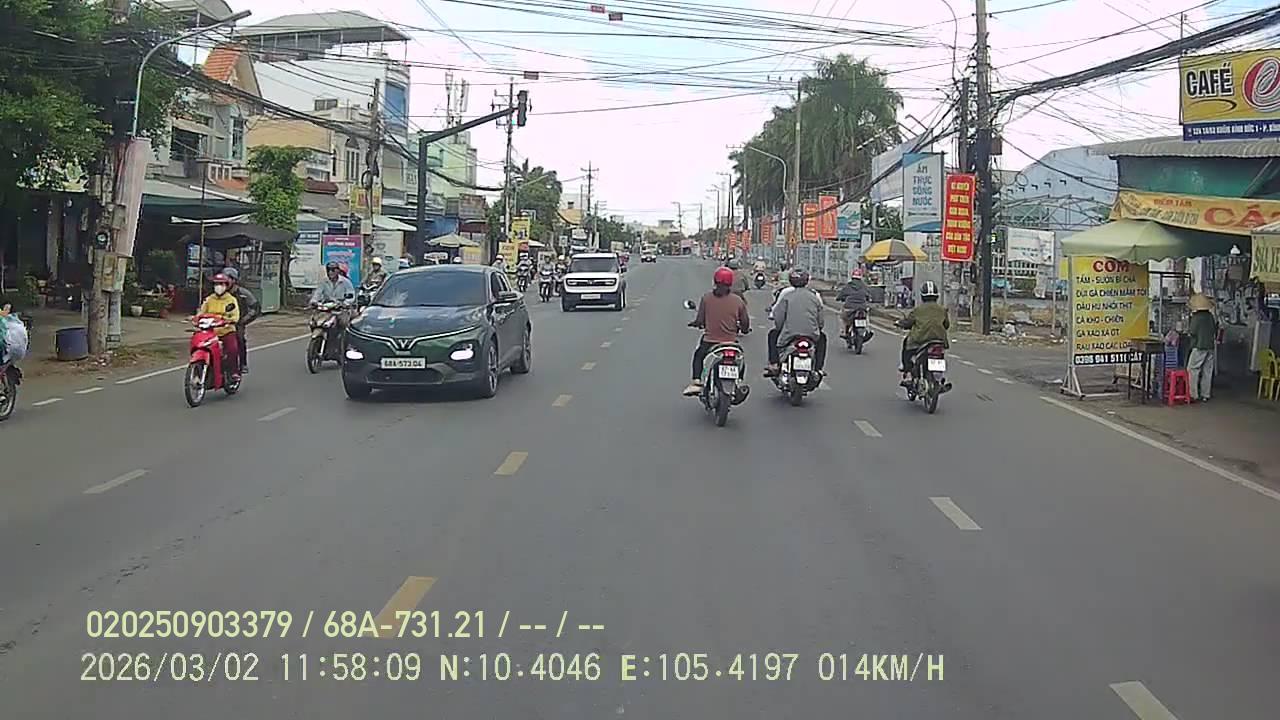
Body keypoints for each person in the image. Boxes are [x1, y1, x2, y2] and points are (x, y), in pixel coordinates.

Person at [683, 266, 751, 397]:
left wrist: (696, 323)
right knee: (740, 359)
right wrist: (744, 329)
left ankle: (697, 381)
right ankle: (739, 382)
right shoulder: (738, 301)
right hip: (731, 342)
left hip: (710, 342)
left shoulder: (706, 298)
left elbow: (700, 320)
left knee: (699, 356)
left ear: (715, 282)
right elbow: (745, 323)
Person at [765, 269, 826, 377]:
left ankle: (774, 364)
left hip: (789, 334)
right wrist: (817, 329)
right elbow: (820, 321)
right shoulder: (814, 296)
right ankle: (818, 368)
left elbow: (779, 319)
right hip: (812, 335)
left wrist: (781, 328)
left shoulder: (786, 295)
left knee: (773, 334)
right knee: (822, 338)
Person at [897, 280, 949, 386]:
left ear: (922, 296)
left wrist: (900, 323)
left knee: (907, 345)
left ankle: (907, 371)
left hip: (920, 340)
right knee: (940, 355)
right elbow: (946, 325)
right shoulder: (942, 310)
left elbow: (908, 322)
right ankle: (939, 378)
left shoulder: (917, 310)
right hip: (939, 340)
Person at [197, 273, 242, 376]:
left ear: (226, 286)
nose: (219, 287)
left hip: (226, 331)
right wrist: (196, 318)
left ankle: (233, 373)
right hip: (210, 332)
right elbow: (201, 312)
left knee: (232, 350)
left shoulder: (231, 300)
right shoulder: (209, 299)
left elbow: (235, 316)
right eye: (216, 284)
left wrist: (228, 320)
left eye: (221, 284)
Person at [220, 267, 259, 374]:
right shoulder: (218, 293)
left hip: (236, 323)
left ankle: (242, 363)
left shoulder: (243, 293)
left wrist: (243, 320)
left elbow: (255, 308)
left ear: (234, 280)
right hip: (218, 323)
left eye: (228, 279)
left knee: (239, 339)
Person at [1187, 293, 1218, 402]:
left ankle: (1193, 394)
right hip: (1210, 346)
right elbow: (1214, 329)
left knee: (1192, 369)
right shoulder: (1210, 316)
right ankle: (1206, 394)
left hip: (1199, 346)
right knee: (1207, 371)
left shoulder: (1196, 317)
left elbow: (1192, 332)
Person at [836, 267, 872, 340]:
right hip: (862, 307)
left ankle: (843, 332)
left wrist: (839, 298)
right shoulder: (864, 286)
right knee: (866, 317)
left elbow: (840, 296)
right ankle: (868, 330)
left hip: (849, 308)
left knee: (842, 317)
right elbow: (869, 296)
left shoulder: (848, 286)